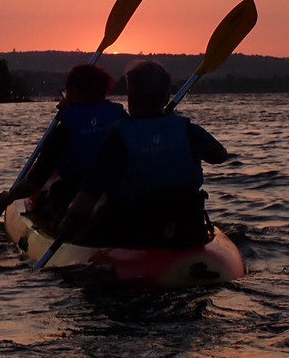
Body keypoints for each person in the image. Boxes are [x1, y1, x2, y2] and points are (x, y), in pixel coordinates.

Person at [60, 60, 228, 249]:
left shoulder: (117, 140)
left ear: (130, 96)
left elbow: (83, 204)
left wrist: (66, 225)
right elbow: (220, 155)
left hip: (135, 235)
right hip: (187, 228)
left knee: (96, 212)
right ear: (166, 97)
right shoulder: (188, 130)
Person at [0, 63, 123, 228]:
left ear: (75, 92)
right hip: (120, 197)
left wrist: (10, 196)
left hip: (77, 199)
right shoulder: (122, 117)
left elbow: (35, 182)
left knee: (56, 193)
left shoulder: (64, 130)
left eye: (66, 92)